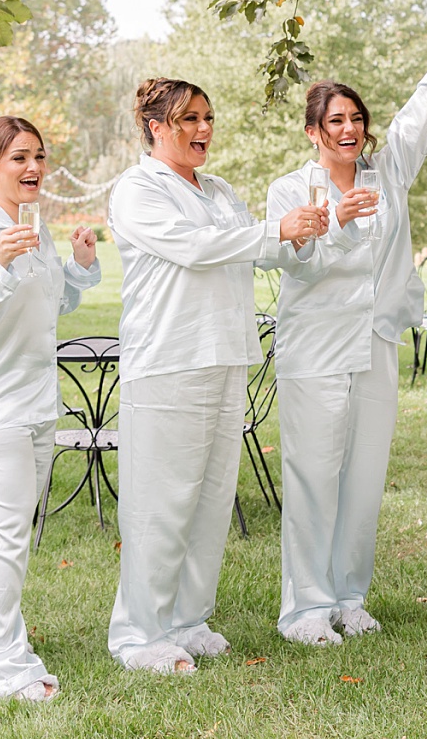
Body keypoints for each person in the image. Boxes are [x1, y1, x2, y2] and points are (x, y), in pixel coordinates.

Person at [266, 0, 427, 648]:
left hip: (376, 343)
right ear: (313, 131)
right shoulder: (290, 189)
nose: (350, 128)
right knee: (312, 473)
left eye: (356, 117)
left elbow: (426, 106)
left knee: (362, 476)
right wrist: (337, 227)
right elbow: (295, 265)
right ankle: (304, 606)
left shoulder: (388, 174)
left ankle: (350, 595)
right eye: (335, 120)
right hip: (316, 349)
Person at [107, 79, 323, 674]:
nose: (203, 129)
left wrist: (300, 235)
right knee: (161, 501)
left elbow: (254, 249)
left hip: (226, 355)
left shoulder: (220, 189)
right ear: (155, 127)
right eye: (188, 119)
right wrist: (276, 230)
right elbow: (198, 248)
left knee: (208, 498)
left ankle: (186, 618)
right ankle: (138, 633)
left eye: (207, 117)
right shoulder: (136, 190)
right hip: (169, 358)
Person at [0, 114, 100, 703]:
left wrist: (78, 266)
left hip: (34, 403)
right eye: (18, 158)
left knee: (6, 535)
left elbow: (51, 303)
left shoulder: (35, 228)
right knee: (0, 537)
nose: (33, 168)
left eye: (38, 156)